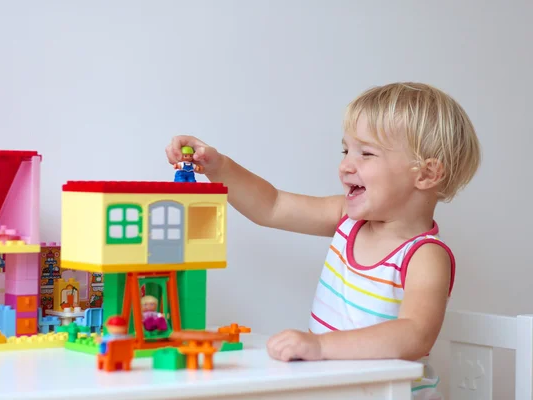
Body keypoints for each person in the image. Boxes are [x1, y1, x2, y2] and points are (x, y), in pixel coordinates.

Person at [165, 82, 481, 399]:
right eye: (346, 151)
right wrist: (219, 167)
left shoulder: (424, 255)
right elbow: (271, 206)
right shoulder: (347, 218)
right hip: (340, 389)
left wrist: (320, 345)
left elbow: (415, 335)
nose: (345, 165)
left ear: (425, 174)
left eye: (366, 153)